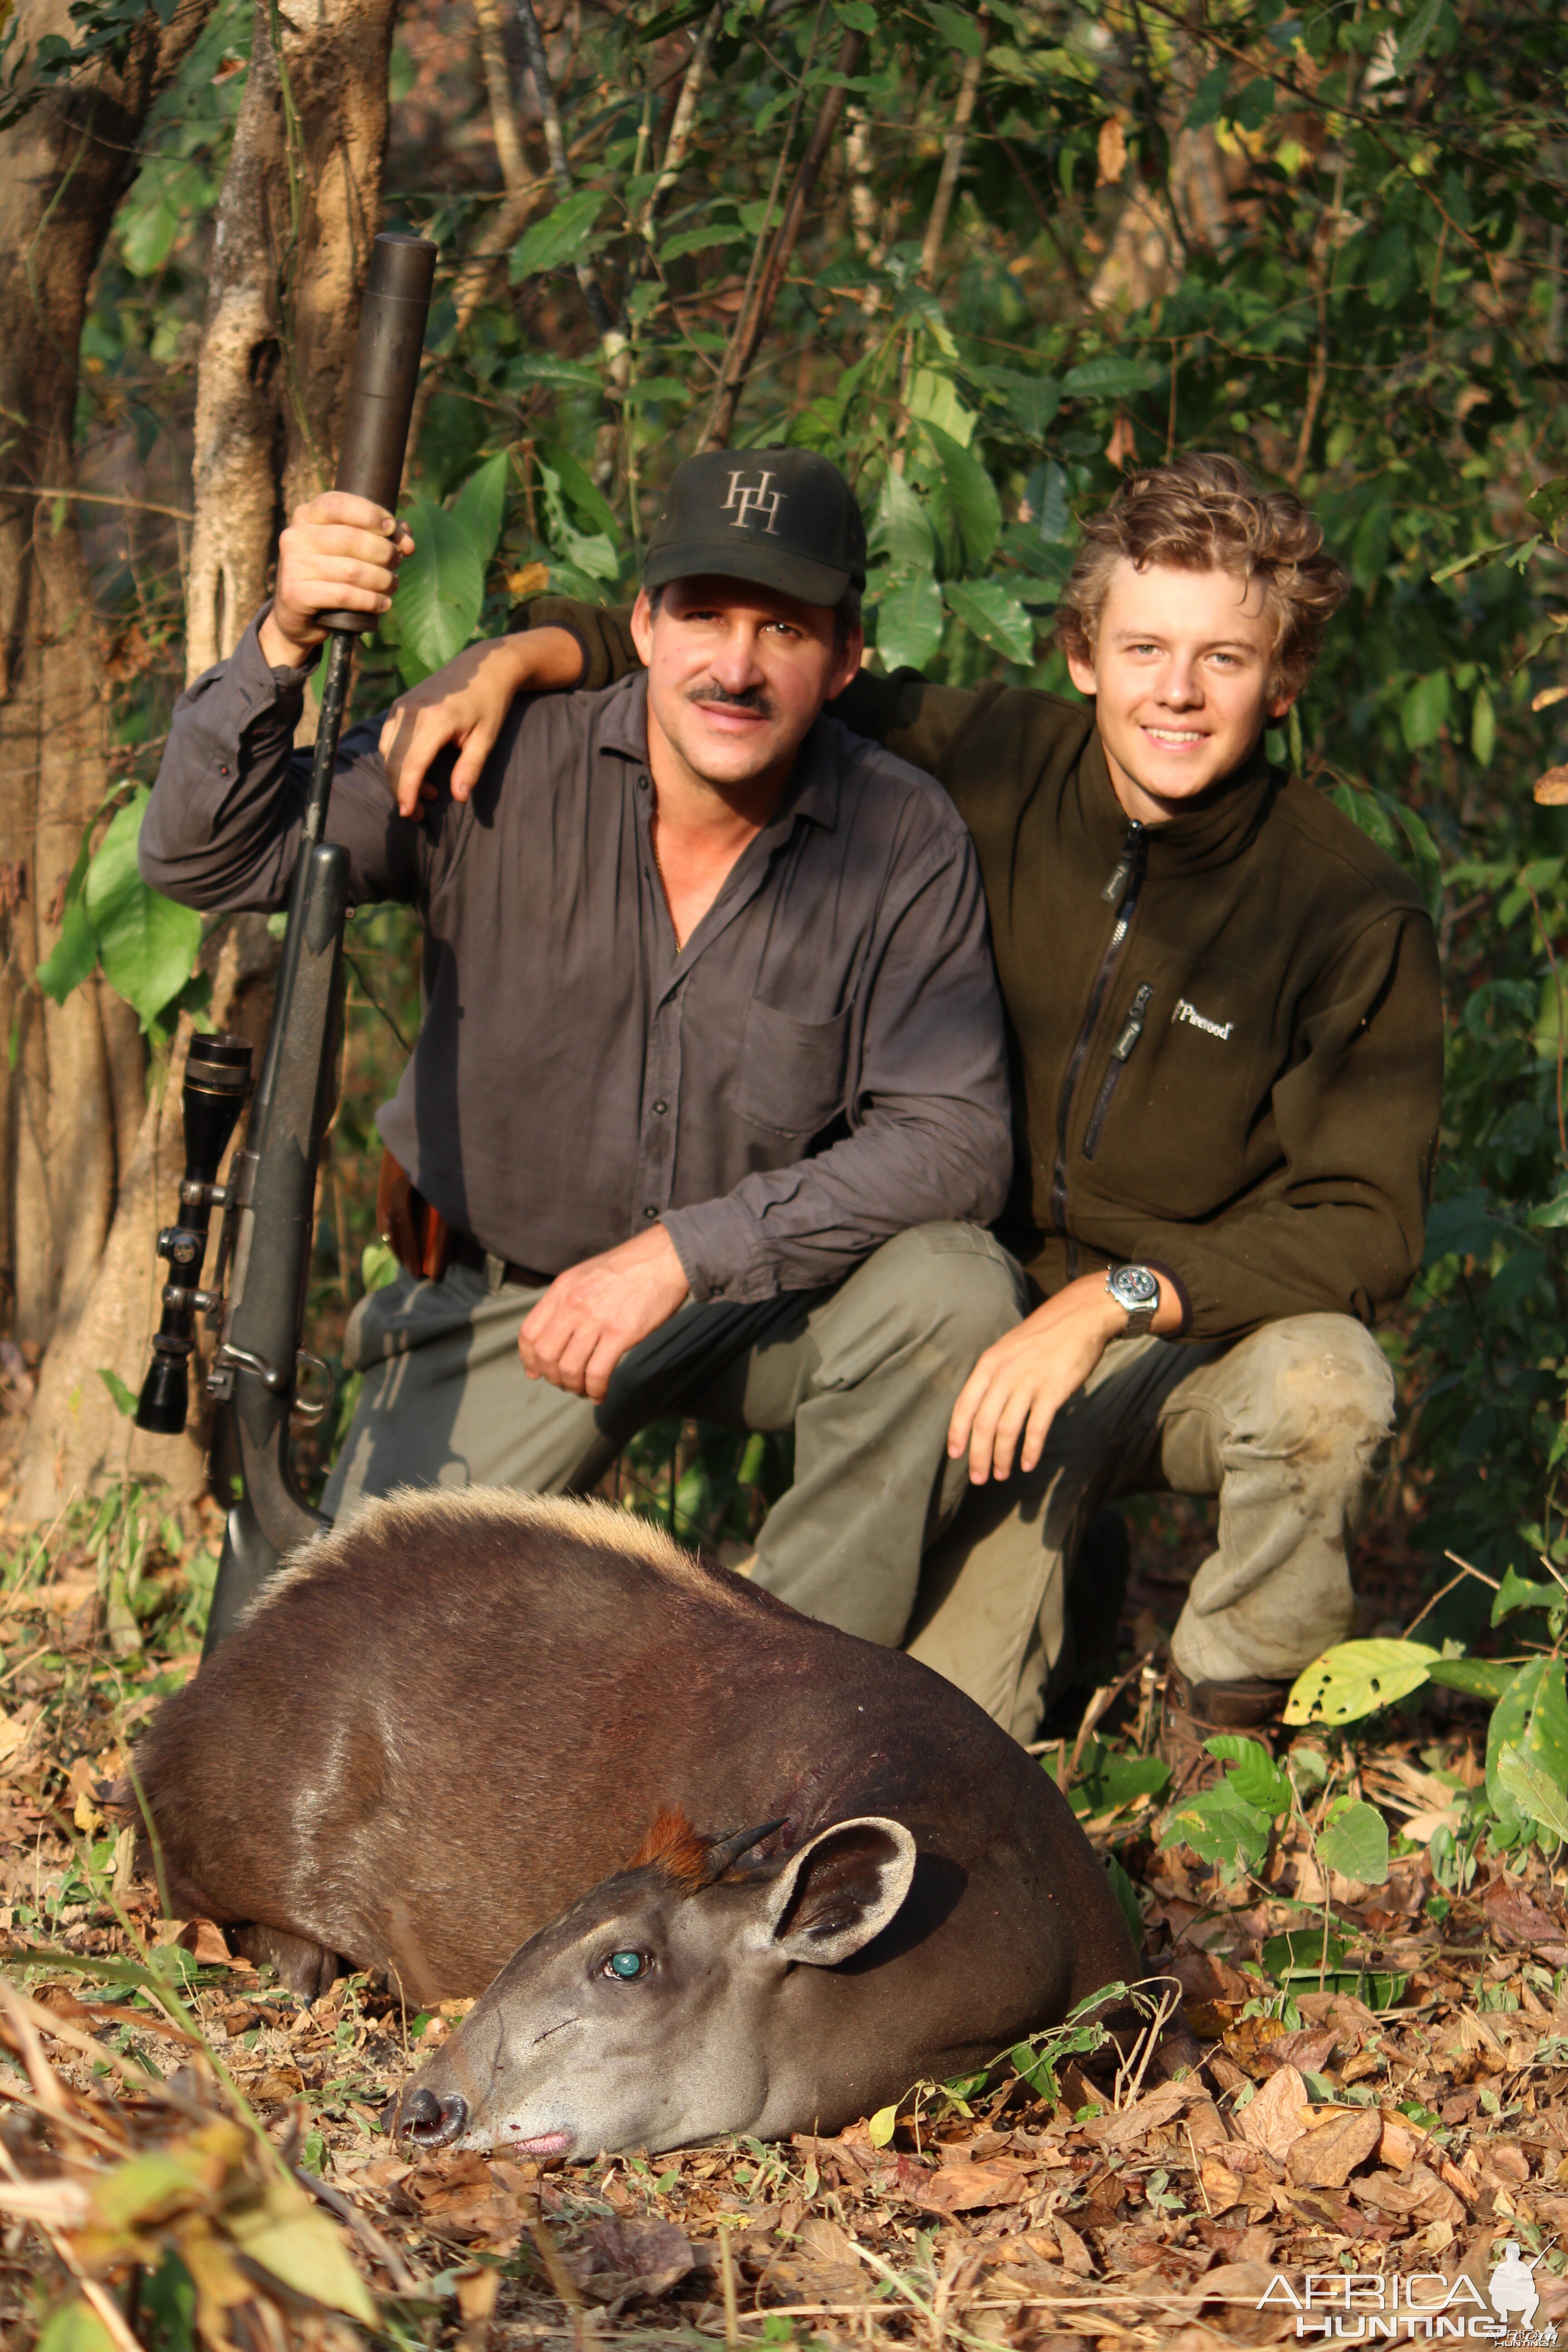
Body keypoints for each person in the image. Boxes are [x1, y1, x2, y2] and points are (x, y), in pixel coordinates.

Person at [383, 453, 1445, 1777]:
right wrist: (519, 656)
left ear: (1281, 683)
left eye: (1224, 660)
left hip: (1166, 1336)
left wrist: (1112, 1300)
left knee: (1329, 1384)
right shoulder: (990, 760)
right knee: (944, 1752)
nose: (1176, 692)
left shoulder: (1348, 911)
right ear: (1083, 657)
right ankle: (1047, 1588)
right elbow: (741, 669)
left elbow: (1366, 1219)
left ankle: (1237, 1737)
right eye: (1144, 647)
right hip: (974, 1338)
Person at [140, 448, 1023, 1647]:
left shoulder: (900, 833)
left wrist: (681, 1253)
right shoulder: (493, 758)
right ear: (645, 623)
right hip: (510, 1297)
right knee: (349, 1654)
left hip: (759, 1301)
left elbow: (957, 1139)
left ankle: (796, 1714)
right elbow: (205, 858)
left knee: (952, 1291)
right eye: (704, 615)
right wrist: (285, 637)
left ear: (847, 654)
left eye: (785, 628)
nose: (736, 665)